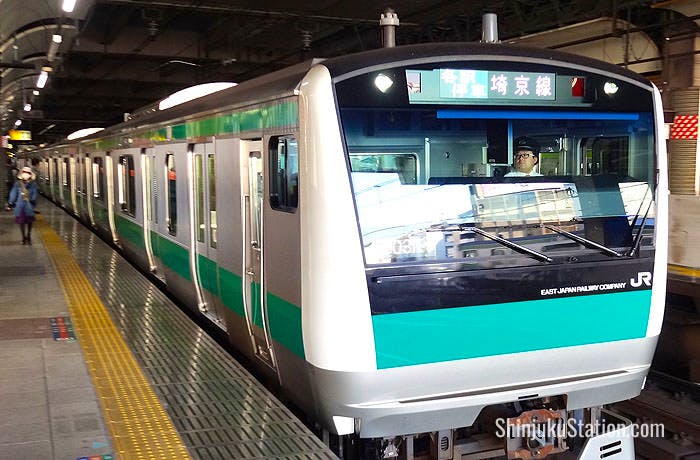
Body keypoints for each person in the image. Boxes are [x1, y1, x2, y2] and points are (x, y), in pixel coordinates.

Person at [6, 166, 39, 245]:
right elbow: (13, 193)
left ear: (30, 174)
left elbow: (35, 193)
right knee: (21, 222)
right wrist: (10, 202)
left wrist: (33, 200)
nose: (26, 174)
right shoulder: (17, 184)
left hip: (29, 205)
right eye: (24, 172)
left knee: (29, 221)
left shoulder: (33, 184)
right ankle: (24, 237)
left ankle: (28, 235)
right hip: (20, 206)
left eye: (28, 173)